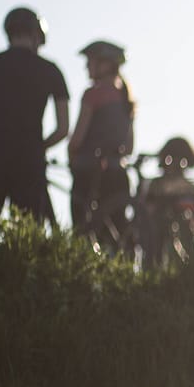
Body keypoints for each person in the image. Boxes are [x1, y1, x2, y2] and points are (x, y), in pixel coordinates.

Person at [0, 6, 69, 233]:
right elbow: (63, 128)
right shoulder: (51, 71)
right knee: (28, 235)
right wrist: (40, 146)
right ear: (37, 36)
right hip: (29, 159)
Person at [70, 40, 135, 253]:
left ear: (105, 64)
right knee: (117, 230)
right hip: (119, 172)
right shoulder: (127, 99)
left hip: (91, 172)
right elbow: (129, 146)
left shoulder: (93, 94)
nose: (86, 67)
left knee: (82, 229)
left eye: (90, 61)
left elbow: (77, 139)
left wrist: (71, 155)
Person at [136, 136, 194, 269]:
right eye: (170, 160)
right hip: (152, 246)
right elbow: (144, 212)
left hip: (181, 251)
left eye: (180, 161)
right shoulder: (155, 185)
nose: (173, 165)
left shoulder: (191, 189)